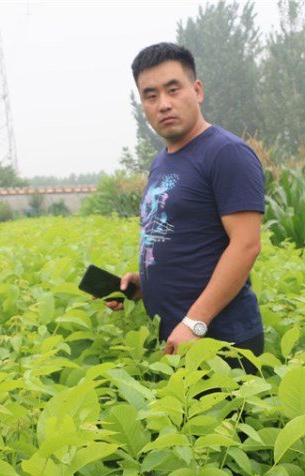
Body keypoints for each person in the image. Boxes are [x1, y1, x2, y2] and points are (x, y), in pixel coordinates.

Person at [107, 42, 265, 371]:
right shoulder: (161, 163)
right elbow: (181, 238)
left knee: (223, 424)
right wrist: (142, 285)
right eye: (151, 96)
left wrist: (195, 322)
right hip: (177, 338)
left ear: (197, 91)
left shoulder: (226, 153)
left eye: (173, 90)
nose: (163, 104)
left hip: (219, 342)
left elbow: (246, 245)